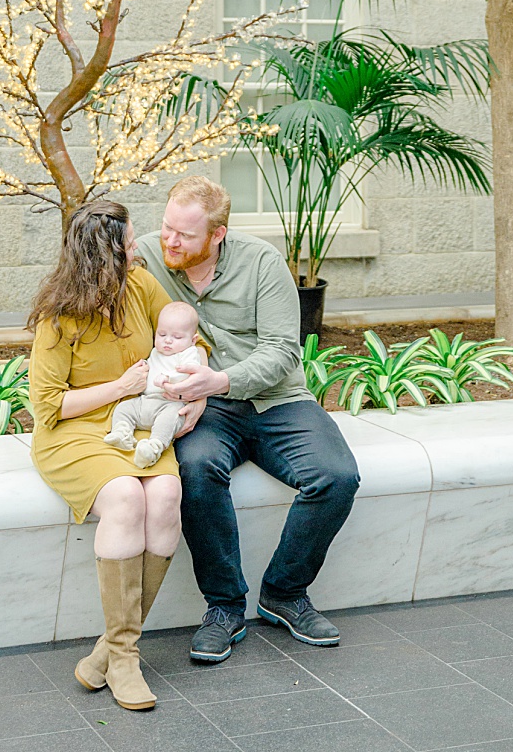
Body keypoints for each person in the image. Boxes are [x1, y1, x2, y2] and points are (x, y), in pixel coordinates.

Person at [137, 173, 363, 664]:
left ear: (217, 234)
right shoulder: (149, 254)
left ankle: (284, 591)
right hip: (204, 410)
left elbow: (283, 351)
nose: (170, 242)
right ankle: (224, 607)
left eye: (185, 234)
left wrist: (219, 381)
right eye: (167, 227)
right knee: (195, 471)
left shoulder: (261, 262)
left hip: (276, 400)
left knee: (336, 477)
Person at [26, 196, 192, 713]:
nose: (137, 245)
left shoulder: (140, 286)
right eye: (127, 240)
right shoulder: (57, 317)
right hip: (75, 431)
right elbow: (49, 406)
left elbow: (184, 339)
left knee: (165, 494)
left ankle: (110, 650)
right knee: (125, 498)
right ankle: (125, 658)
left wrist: (194, 395)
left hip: (140, 419)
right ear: (105, 253)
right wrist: (120, 385)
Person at [101, 299, 210, 471]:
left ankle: (153, 447)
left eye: (177, 337)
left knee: (169, 419)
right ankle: (122, 433)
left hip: (171, 403)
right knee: (123, 408)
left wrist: (168, 378)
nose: (167, 341)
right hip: (146, 402)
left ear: (193, 339)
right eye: (162, 334)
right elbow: (151, 365)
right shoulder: (156, 351)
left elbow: (189, 372)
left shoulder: (189, 353)